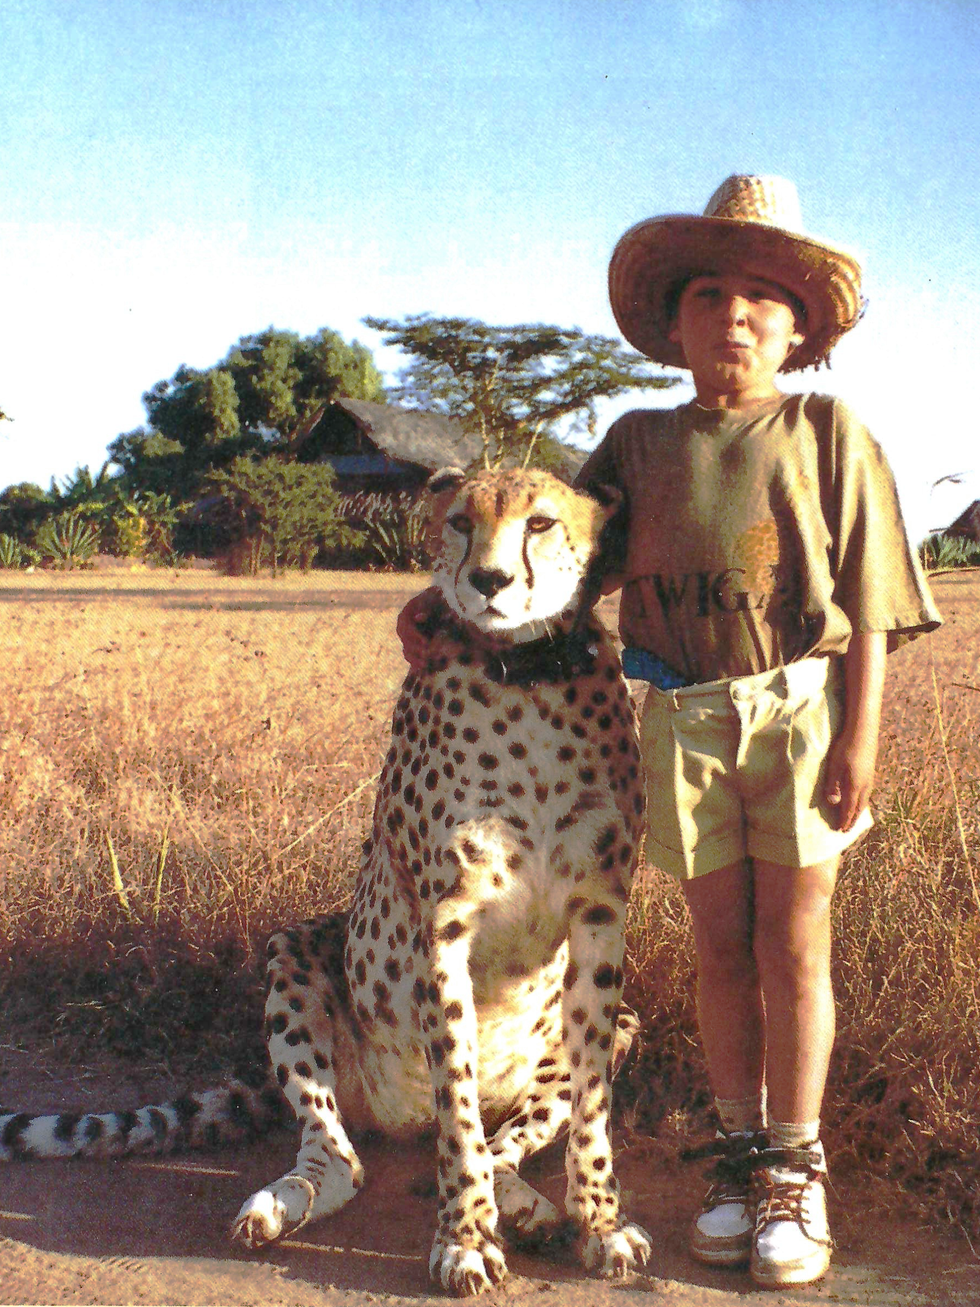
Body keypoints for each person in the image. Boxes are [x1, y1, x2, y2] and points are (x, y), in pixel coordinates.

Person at [400, 175, 941, 1288]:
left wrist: (858, 737)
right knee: (714, 948)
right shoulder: (634, 443)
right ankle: (736, 1159)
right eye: (707, 293)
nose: (732, 315)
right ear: (673, 323)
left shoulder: (827, 428)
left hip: (798, 707)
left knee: (794, 945)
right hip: (678, 719)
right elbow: (549, 555)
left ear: (798, 327)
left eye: (758, 296)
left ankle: (797, 1164)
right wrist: (441, 601)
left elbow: (872, 595)